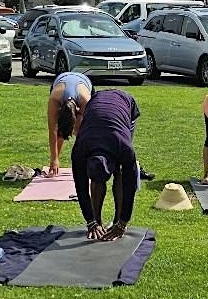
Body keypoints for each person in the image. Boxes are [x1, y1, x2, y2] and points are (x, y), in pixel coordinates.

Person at [71, 87, 140, 241]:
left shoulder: (124, 148)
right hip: (96, 102)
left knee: (121, 173)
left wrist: (123, 223)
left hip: (125, 103)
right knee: (98, 180)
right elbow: (80, 187)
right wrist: (91, 222)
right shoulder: (80, 148)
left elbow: (130, 185)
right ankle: (98, 221)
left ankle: (117, 221)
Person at [46, 70, 93, 175]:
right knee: (60, 132)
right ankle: (55, 164)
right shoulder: (54, 100)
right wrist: (54, 159)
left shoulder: (86, 100)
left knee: (82, 131)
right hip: (61, 80)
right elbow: (52, 130)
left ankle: (85, 160)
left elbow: (89, 131)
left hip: (83, 81)